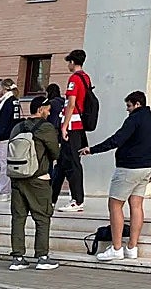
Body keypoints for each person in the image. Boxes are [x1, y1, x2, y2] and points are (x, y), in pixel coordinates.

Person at [80, 90, 151, 261]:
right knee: (137, 205)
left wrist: (92, 149)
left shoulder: (134, 119)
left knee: (115, 205)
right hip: (146, 168)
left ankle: (117, 248)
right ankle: (132, 248)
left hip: (128, 168)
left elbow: (117, 139)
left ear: (137, 104)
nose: (127, 109)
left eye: (129, 106)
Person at [7, 95, 60, 271]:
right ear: (40, 109)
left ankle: (17, 257)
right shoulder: (46, 127)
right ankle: (42, 257)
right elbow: (55, 152)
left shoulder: (18, 126)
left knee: (18, 217)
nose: (49, 111)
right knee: (42, 217)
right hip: (37, 178)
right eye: (48, 109)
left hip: (16, 177)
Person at [54, 49, 91, 213]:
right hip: (78, 125)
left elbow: (71, 104)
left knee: (73, 163)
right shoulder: (86, 78)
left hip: (72, 126)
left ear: (72, 62)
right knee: (61, 164)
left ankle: (77, 200)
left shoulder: (74, 79)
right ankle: (51, 198)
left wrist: (64, 127)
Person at [0, 78, 22, 202]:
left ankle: (3, 191)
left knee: (1, 164)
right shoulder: (15, 101)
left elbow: (2, 121)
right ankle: (5, 190)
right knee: (5, 164)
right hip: (12, 136)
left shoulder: (7, 102)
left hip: (4, 137)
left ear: (4, 88)